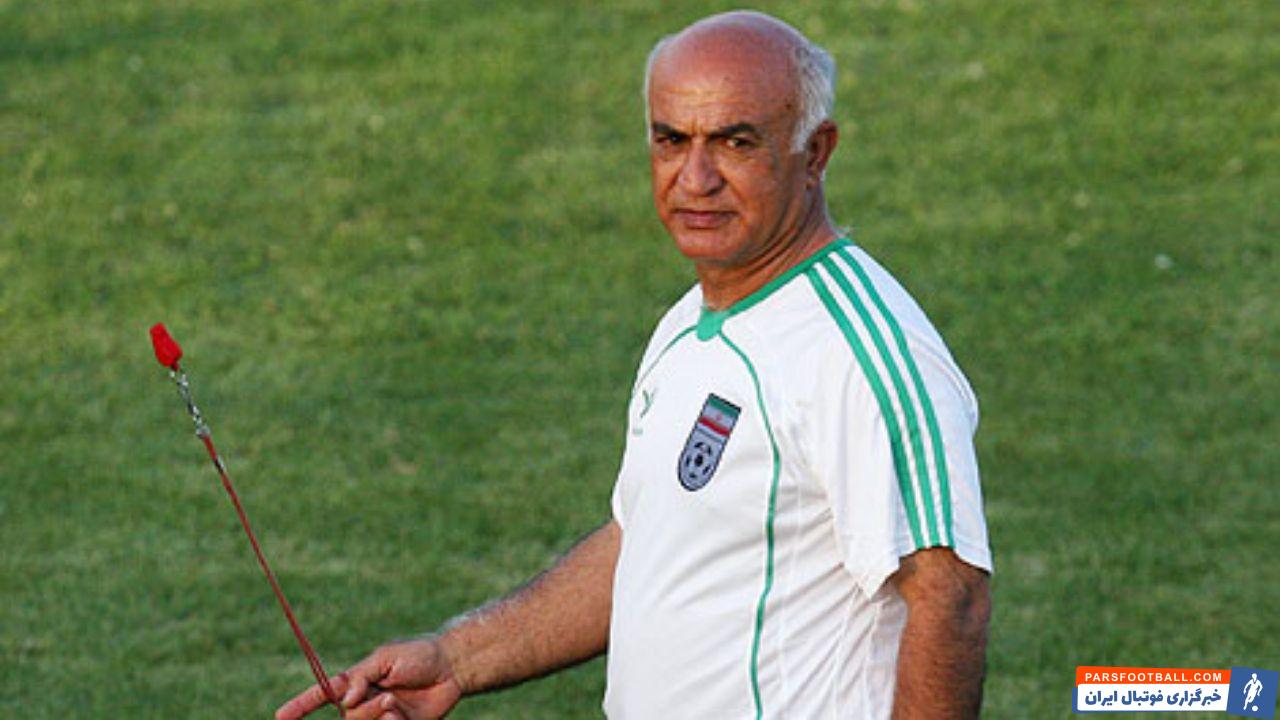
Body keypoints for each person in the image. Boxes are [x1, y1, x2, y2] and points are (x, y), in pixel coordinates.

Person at [277, 10, 992, 720]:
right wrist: (459, 658)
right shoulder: (689, 324)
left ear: (815, 153)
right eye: (671, 140)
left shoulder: (857, 353)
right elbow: (644, 543)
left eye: (735, 142)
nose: (696, 178)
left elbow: (950, 598)